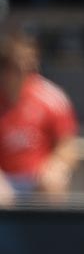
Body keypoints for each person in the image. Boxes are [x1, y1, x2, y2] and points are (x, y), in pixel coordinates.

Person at [0, 29, 78, 203]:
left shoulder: (51, 97)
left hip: (37, 177)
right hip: (4, 178)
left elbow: (67, 146)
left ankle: (51, 230)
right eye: (11, 67)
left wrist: (55, 165)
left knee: (54, 182)